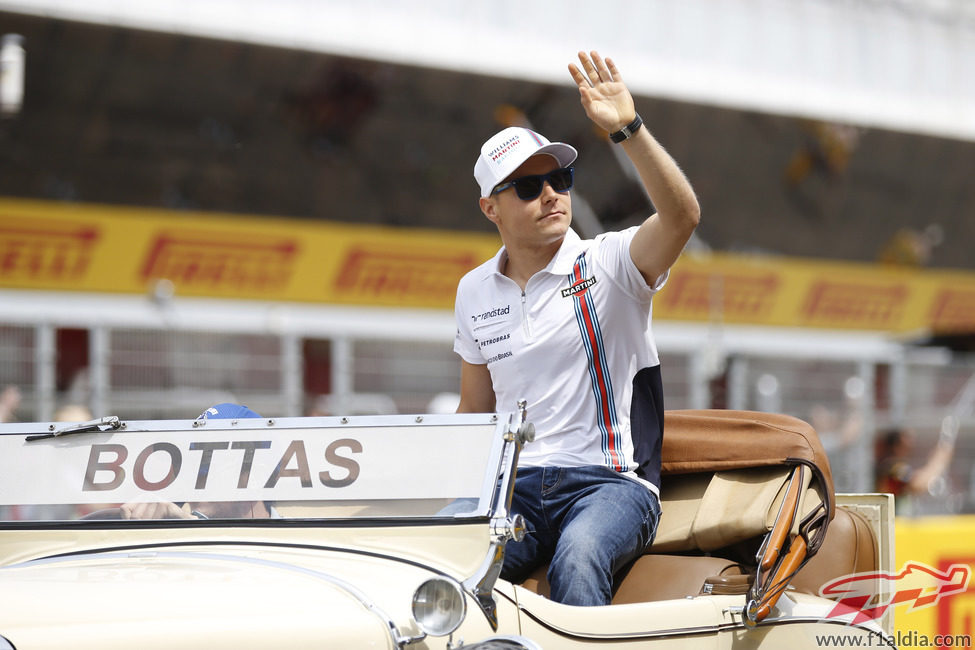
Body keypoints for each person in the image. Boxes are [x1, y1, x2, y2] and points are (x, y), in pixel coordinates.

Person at [453, 51, 700, 606]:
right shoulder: (473, 290)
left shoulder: (610, 262)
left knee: (579, 555)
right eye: (527, 187)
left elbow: (682, 218)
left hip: (611, 486)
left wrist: (629, 131)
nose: (551, 194)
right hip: (514, 491)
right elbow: (474, 414)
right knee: (443, 559)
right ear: (490, 209)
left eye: (559, 178)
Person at [120, 403, 277, 520]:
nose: (191, 479)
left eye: (208, 457)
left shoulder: (296, 543)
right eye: (185, 462)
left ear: (255, 477)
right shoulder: (176, 544)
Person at [875, 417, 957, 515]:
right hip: (893, 524)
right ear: (897, 446)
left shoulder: (888, 466)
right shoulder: (892, 468)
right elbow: (918, 484)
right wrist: (939, 461)